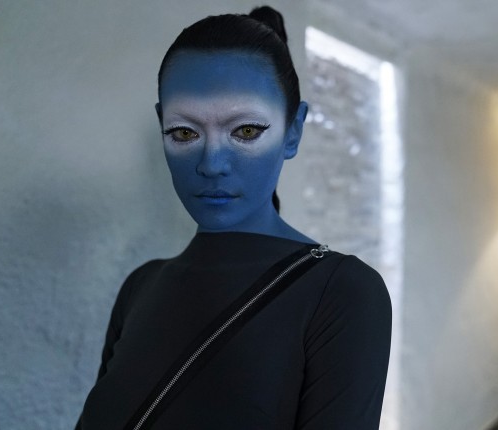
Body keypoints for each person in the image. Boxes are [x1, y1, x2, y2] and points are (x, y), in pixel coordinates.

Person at [75, 6, 391, 429]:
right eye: (185, 132)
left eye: (246, 131)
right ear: (162, 125)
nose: (211, 164)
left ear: (293, 130)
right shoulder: (139, 287)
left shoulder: (342, 292)